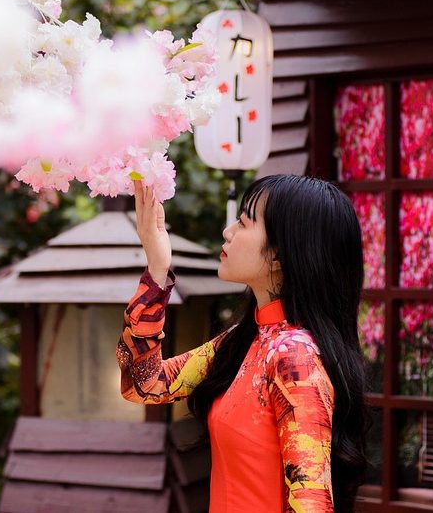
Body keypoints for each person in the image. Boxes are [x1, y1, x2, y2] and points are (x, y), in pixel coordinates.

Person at [116, 174, 367, 512]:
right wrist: (157, 271)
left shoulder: (294, 359)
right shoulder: (245, 341)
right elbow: (144, 383)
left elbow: (311, 505)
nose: (228, 232)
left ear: (279, 255)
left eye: (245, 222)